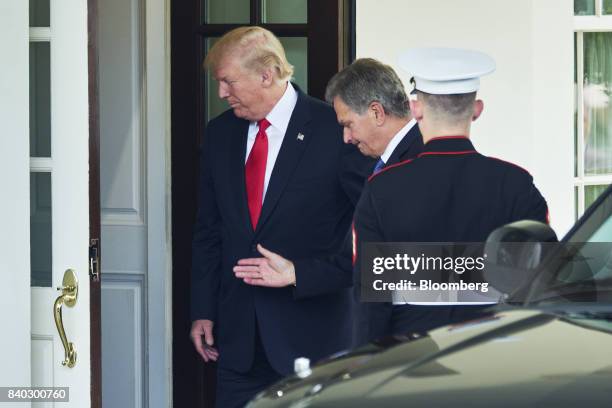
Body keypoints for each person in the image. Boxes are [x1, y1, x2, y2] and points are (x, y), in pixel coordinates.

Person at [190, 26, 372, 408]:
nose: (221, 93)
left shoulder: (336, 131)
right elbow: (209, 229)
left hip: (314, 340)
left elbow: (371, 232)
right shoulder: (220, 133)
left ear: (267, 74)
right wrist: (203, 310)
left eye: (228, 81)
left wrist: (300, 273)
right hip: (238, 343)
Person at [352, 47, 549, 344]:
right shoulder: (517, 184)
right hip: (497, 351)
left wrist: (367, 362)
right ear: (477, 108)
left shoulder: (382, 188)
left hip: (409, 357)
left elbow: (371, 303)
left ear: (415, 108)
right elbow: (539, 284)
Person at [324, 58, 424, 344]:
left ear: (377, 112)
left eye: (348, 125)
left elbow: (447, 269)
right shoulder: (387, 163)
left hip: (409, 339)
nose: (346, 138)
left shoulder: (418, 163)